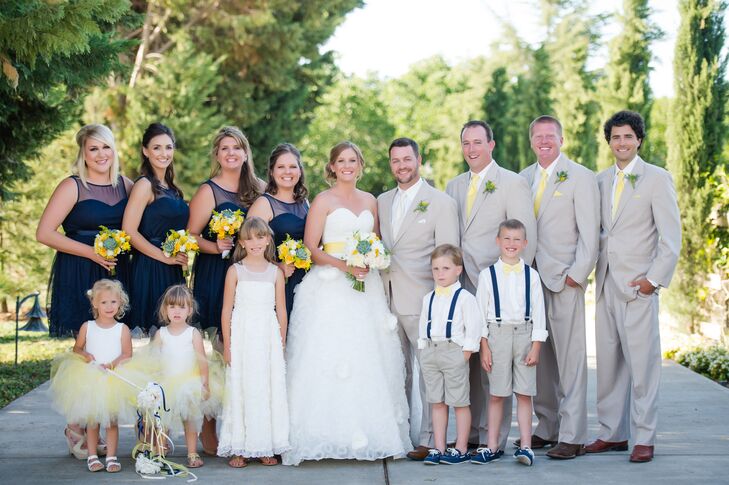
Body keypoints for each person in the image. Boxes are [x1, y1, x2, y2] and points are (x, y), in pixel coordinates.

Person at [283, 141, 411, 466]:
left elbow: (377, 242)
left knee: (367, 356)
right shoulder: (323, 201)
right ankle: (322, 436)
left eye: (352, 160)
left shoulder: (370, 200)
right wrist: (345, 266)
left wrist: (372, 258)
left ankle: (372, 433)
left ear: (360, 164)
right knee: (329, 356)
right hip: (329, 288)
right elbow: (311, 247)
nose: (347, 165)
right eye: (341, 160)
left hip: (366, 290)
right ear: (332, 166)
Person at [587, 110, 681, 463]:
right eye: (615, 137)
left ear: (639, 139)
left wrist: (652, 281)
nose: (621, 143)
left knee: (643, 367)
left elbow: (671, 239)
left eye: (628, 136)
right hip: (605, 283)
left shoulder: (657, 179)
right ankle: (612, 434)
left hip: (638, 286)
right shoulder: (599, 181)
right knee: (609, 365)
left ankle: (644, 437)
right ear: (609, 142)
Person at [36, 123, 133, 459]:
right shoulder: (72, 186)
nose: (101, 155)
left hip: (115, 275)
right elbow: (45, 232)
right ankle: (77, 425)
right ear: (83, 153)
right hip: (80, 269)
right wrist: (91, 252)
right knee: (86, 348)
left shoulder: (127, 186)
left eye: (106, 147)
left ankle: (98, 421)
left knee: (110, 348)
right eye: (93, 149)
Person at [445, 120, 536, 451]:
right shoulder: (453, 186)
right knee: (466, 357)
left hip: (497, 285)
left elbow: (528, 236)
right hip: (461, 283)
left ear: (491, 145)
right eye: (466, 143)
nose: (471, 149)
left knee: (494, 360)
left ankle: (491, 438)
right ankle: (467, 433)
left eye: (478, 143)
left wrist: (518, 286)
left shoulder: (511, 183)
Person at [517, 116, 599, 459]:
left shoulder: (580, 176)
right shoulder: (522, 178)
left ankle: (573, 434)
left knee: (570, 360)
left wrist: (576, 275)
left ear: (562, 139)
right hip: (530, 281)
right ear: (532, 141)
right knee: (542, 360)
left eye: (550, 136)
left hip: (564, 278)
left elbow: (590, 233)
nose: (544, 141)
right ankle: (547, 426)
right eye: (538, 136)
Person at [377, 137, 459, 459]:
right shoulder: (382, 201)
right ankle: (402, 433)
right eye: (395, 161)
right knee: (397, 371)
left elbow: (449, 254)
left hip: (424, 298)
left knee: (428, 371)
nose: (402, 166)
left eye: (407, 159)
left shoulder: (439, 202)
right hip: (385, 298)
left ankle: (428, 438)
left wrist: (443, 300)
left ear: (418, 160)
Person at [188, 126, 260, 454]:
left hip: (250, 277)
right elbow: (190, 236)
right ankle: (209, 424)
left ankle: (244, 422)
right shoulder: (208, 191)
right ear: (217, 155)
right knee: (219, 351)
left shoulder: (258, 190)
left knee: (245, 350)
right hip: (216, 273)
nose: (231, 153)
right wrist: (215, 246)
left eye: (237, 147)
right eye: (224, 148)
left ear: (246, 153)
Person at [472, 219, 548, 467]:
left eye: (517, 239)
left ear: (525, 243)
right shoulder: (487, 275)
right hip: (497, 335)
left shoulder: (532, 276)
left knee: (524, 393)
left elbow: (539, 313)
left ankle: (525, 446)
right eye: (506, 238)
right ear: (498, 241)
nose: (511, 244)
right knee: (496, 394)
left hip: (525, 335)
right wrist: (484, 346)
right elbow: (480, 314)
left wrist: (536, 346)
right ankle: (492, 445)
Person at [218, 217, 289, 468]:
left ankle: (264, 445)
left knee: (265, 388)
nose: (255, 243)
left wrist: (280, 343)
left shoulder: (275, 272)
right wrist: (227, 346)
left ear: (268, 239)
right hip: (242, 336)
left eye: (260, 237)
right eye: (249, 238)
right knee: (242, 387)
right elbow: (227, 310)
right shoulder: (235, 271)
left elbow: (281, 310)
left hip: (267, 336)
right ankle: (240, 447)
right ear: (241, 242)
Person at [49, 279, 136, 473]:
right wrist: (86, 355)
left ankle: (112, 457)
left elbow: (127, 354)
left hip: (113, 378)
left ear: (120, 303)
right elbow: (77, 349)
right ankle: (92, 456)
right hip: (91, 378)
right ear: (95, 303)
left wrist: (113, 364)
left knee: (111, 421)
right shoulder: (87, 327)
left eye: (113, 302)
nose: (109, 306)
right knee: (92, 420)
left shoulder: (122, 329)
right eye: (104, 302)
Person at [417, 244, 481, 465]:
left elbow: (474, 328)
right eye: (435, 269)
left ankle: (461, 448)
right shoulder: (429, 298)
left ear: (458, 270)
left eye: (445, 268)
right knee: (437, 402)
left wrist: (464, 354)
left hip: (454, 352)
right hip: (431, 352)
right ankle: (439, 447)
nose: (440, 273)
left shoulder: (465, 298)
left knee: (459, 402)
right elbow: (423, 324)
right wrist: (423, 349)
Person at [124, 123, 189, 334]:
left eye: (168, 147)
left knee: (171, 334)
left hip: (171, 267)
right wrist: (164, 257)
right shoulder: (145, 185)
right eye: (157, 147)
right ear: (145, 151)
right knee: (152, 332)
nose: (164, 153)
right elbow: (129, 232)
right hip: (150, 266)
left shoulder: (172, 189)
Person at [150, 284, 221, 469]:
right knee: (162, 421)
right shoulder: (161, 334)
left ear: (190, 310)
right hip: (166, 384)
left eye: (182, 307)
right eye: (172, 306)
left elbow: (202, 360)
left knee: (190, 420)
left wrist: (204, 384)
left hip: (189, 383)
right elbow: (154, 360)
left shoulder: (193, 333)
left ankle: (192, 452)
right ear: (165, 310)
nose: (177, 311)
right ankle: (159, 451)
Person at [247, 143, 309, 319]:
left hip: (304, 282)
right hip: (274, 282)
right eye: (281, 167)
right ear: (272, 172)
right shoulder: (263, 204)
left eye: (292, 166)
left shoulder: (305, 203)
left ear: (300, 171)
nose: (287, 172)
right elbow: (246, 248)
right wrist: (278, 267)